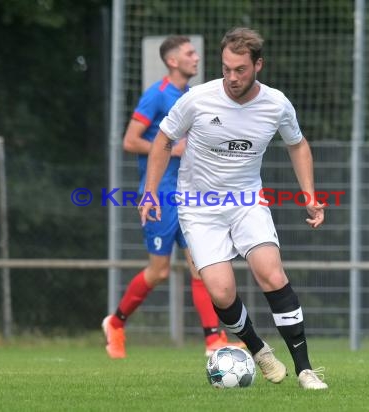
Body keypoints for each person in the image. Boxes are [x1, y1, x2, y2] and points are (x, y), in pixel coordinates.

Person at [139, 27, 328, 390]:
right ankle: (258, 349)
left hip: (246, 200)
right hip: (198, 205)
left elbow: (298, 144)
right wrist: (149, 193)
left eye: (240, 69)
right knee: (221, 292)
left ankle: (305, 370)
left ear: (258, 65)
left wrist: (309, 194)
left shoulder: (275, 104)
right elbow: (163, 140)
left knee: (271, 273)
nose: (231, 77)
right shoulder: (197, 99)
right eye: (226, 68)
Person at [102, 35, 245, 359]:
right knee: (160, 271)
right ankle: (116, 322)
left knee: (200, 266)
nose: (196, 58)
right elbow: (129, 140)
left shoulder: (192, 96)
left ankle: (213, 340)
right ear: (172, 61)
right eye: (189, 53)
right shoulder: (157, 95)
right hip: (161, 195)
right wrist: (174, 148)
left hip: (188, 194)